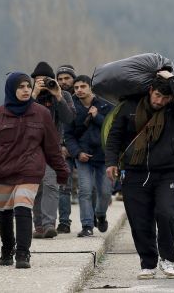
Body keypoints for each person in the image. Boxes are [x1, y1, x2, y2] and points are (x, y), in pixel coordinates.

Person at [0, 72, 69, 269]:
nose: (26, 90)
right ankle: (7, 248)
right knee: (4, 213)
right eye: (21, 87)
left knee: (23, 208)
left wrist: (61, 170)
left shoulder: (41, 113)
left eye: (28, 86)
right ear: (11, 90)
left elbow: (51, 146)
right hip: (1, 172)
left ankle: (23, 253)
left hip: (29, 171)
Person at [105, 71, 174, 280]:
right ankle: (148, 263)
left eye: (165, 97)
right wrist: (111, 162)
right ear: (150, 91)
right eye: (157, 96)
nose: (160, 101)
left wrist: (172, 78)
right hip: (134, 173)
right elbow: (114, 136)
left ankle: (168, 259)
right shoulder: (129, 107)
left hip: (167, 172)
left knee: (167, 214)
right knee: (139, 221)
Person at [64, 75, 114, 237]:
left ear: (91, 87)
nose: (79, 90)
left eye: (83, 86)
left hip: (105, 156)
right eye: (77, 87)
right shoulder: (71, 108)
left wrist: (96, 116)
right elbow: (69, 135)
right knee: (84, 190)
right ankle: (87, 225)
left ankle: (100, 214)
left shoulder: (106, 105)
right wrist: (77, 153)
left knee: (105, 192)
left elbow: (112, 129)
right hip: (83, 157)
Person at [30, 61, 76, 239]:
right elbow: (21, 115)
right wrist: (34, 93)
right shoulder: (28, 94)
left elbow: (69, 118)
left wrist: (57, 96)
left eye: (46, 80)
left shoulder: (62, 95)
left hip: (51, 148)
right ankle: (39, 225)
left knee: (51, 184)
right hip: (31, 148)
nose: (43, 84)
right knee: (37, 187)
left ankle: (49, 225)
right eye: (38, 80)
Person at [56, 64, 77, 234]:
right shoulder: (56, 98)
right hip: (63, 149)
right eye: (60, 79)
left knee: (89, 188)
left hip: (83, 149)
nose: (63, 82)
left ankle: (92, 217)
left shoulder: (84, 97)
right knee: (64, 186)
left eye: (67, 78)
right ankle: (64, 222)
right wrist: (63, 145)